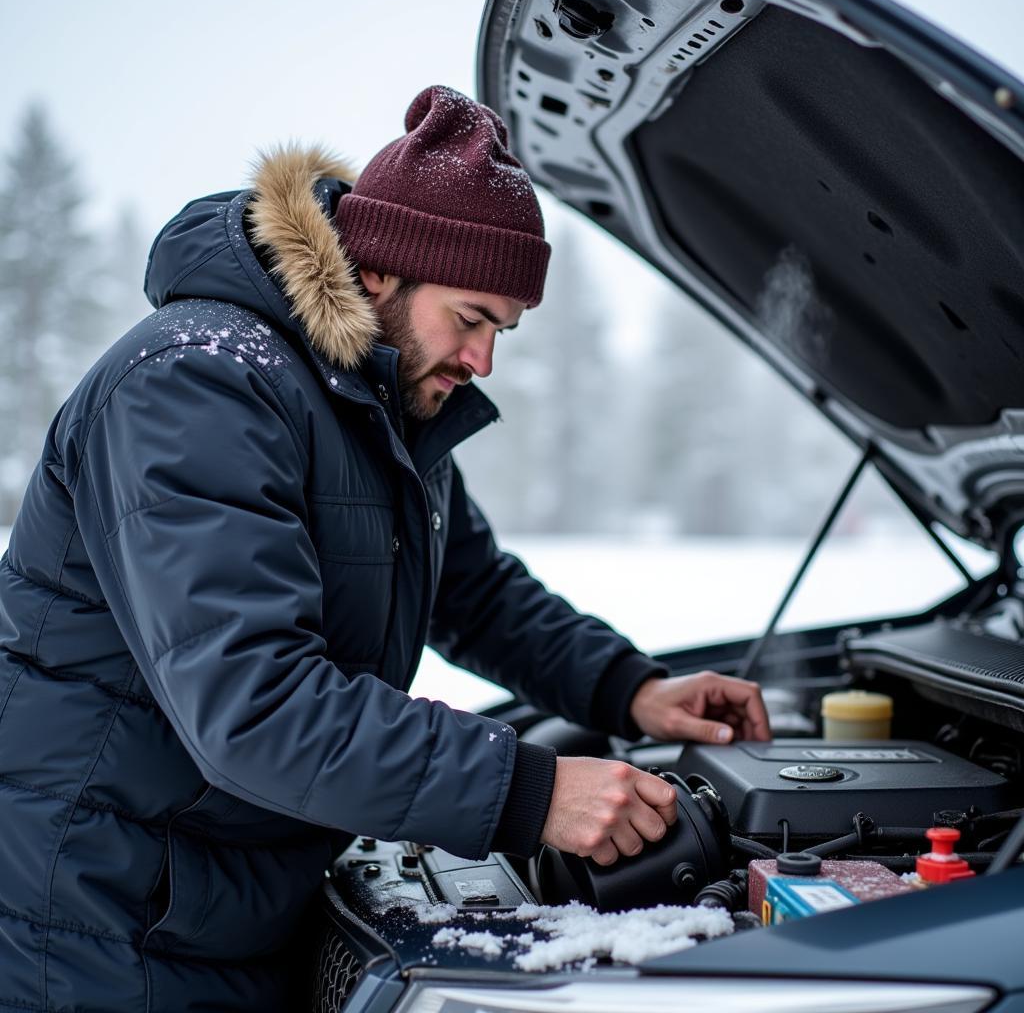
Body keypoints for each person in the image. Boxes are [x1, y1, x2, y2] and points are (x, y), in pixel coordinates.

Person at [0, 85, 770, 1011]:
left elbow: (476, 591)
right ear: (378, 275)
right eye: (474, 317)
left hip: (225, 899)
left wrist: (632, 689)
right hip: (99, 924)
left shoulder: (375, 402)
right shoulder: (196, 386)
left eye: (505, 332)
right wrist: (530, 793)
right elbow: (257, 706)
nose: (485, 361)